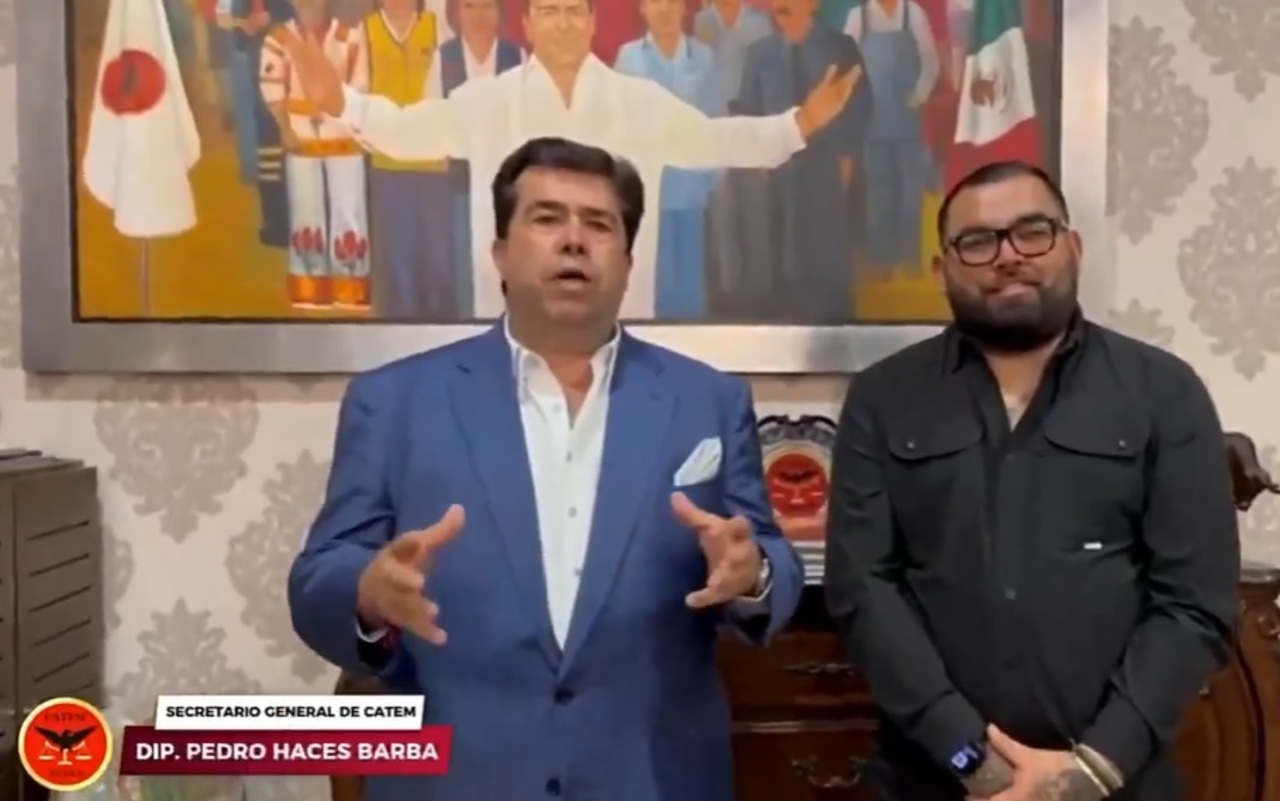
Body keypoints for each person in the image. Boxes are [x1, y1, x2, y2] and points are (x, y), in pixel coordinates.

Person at [289, 137, 804, 801]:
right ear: (500, 253)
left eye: (599, 224)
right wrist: (366, 593)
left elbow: (770, 558)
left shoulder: (708, 399)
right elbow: (317, 577)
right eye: (547, 218)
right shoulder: (393, 401)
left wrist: (751, 574)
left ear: (628, 262)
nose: (574, 241)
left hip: (652, 777)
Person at [823, 161, 1239, 801]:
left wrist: (1088, 774)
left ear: (1072, 246)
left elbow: (1195, 602)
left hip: (1118, 780)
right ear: (942, 270)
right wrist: (974, 762)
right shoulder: (883, 398)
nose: (1008, 256)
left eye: (1032, 232)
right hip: (933, 778)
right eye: (978, 241)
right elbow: (862, 588)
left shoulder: (1165, 392)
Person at [274, 0, 861, 319]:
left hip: (617, 315)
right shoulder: (488, 101)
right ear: (529, 23)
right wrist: (341, 102)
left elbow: (717, 140)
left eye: (574, 11)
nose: (563, 23)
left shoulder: (638, 102)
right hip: (513, 315)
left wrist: (799, 124)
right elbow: (406, 132)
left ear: (591, 22)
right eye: (550, 11)